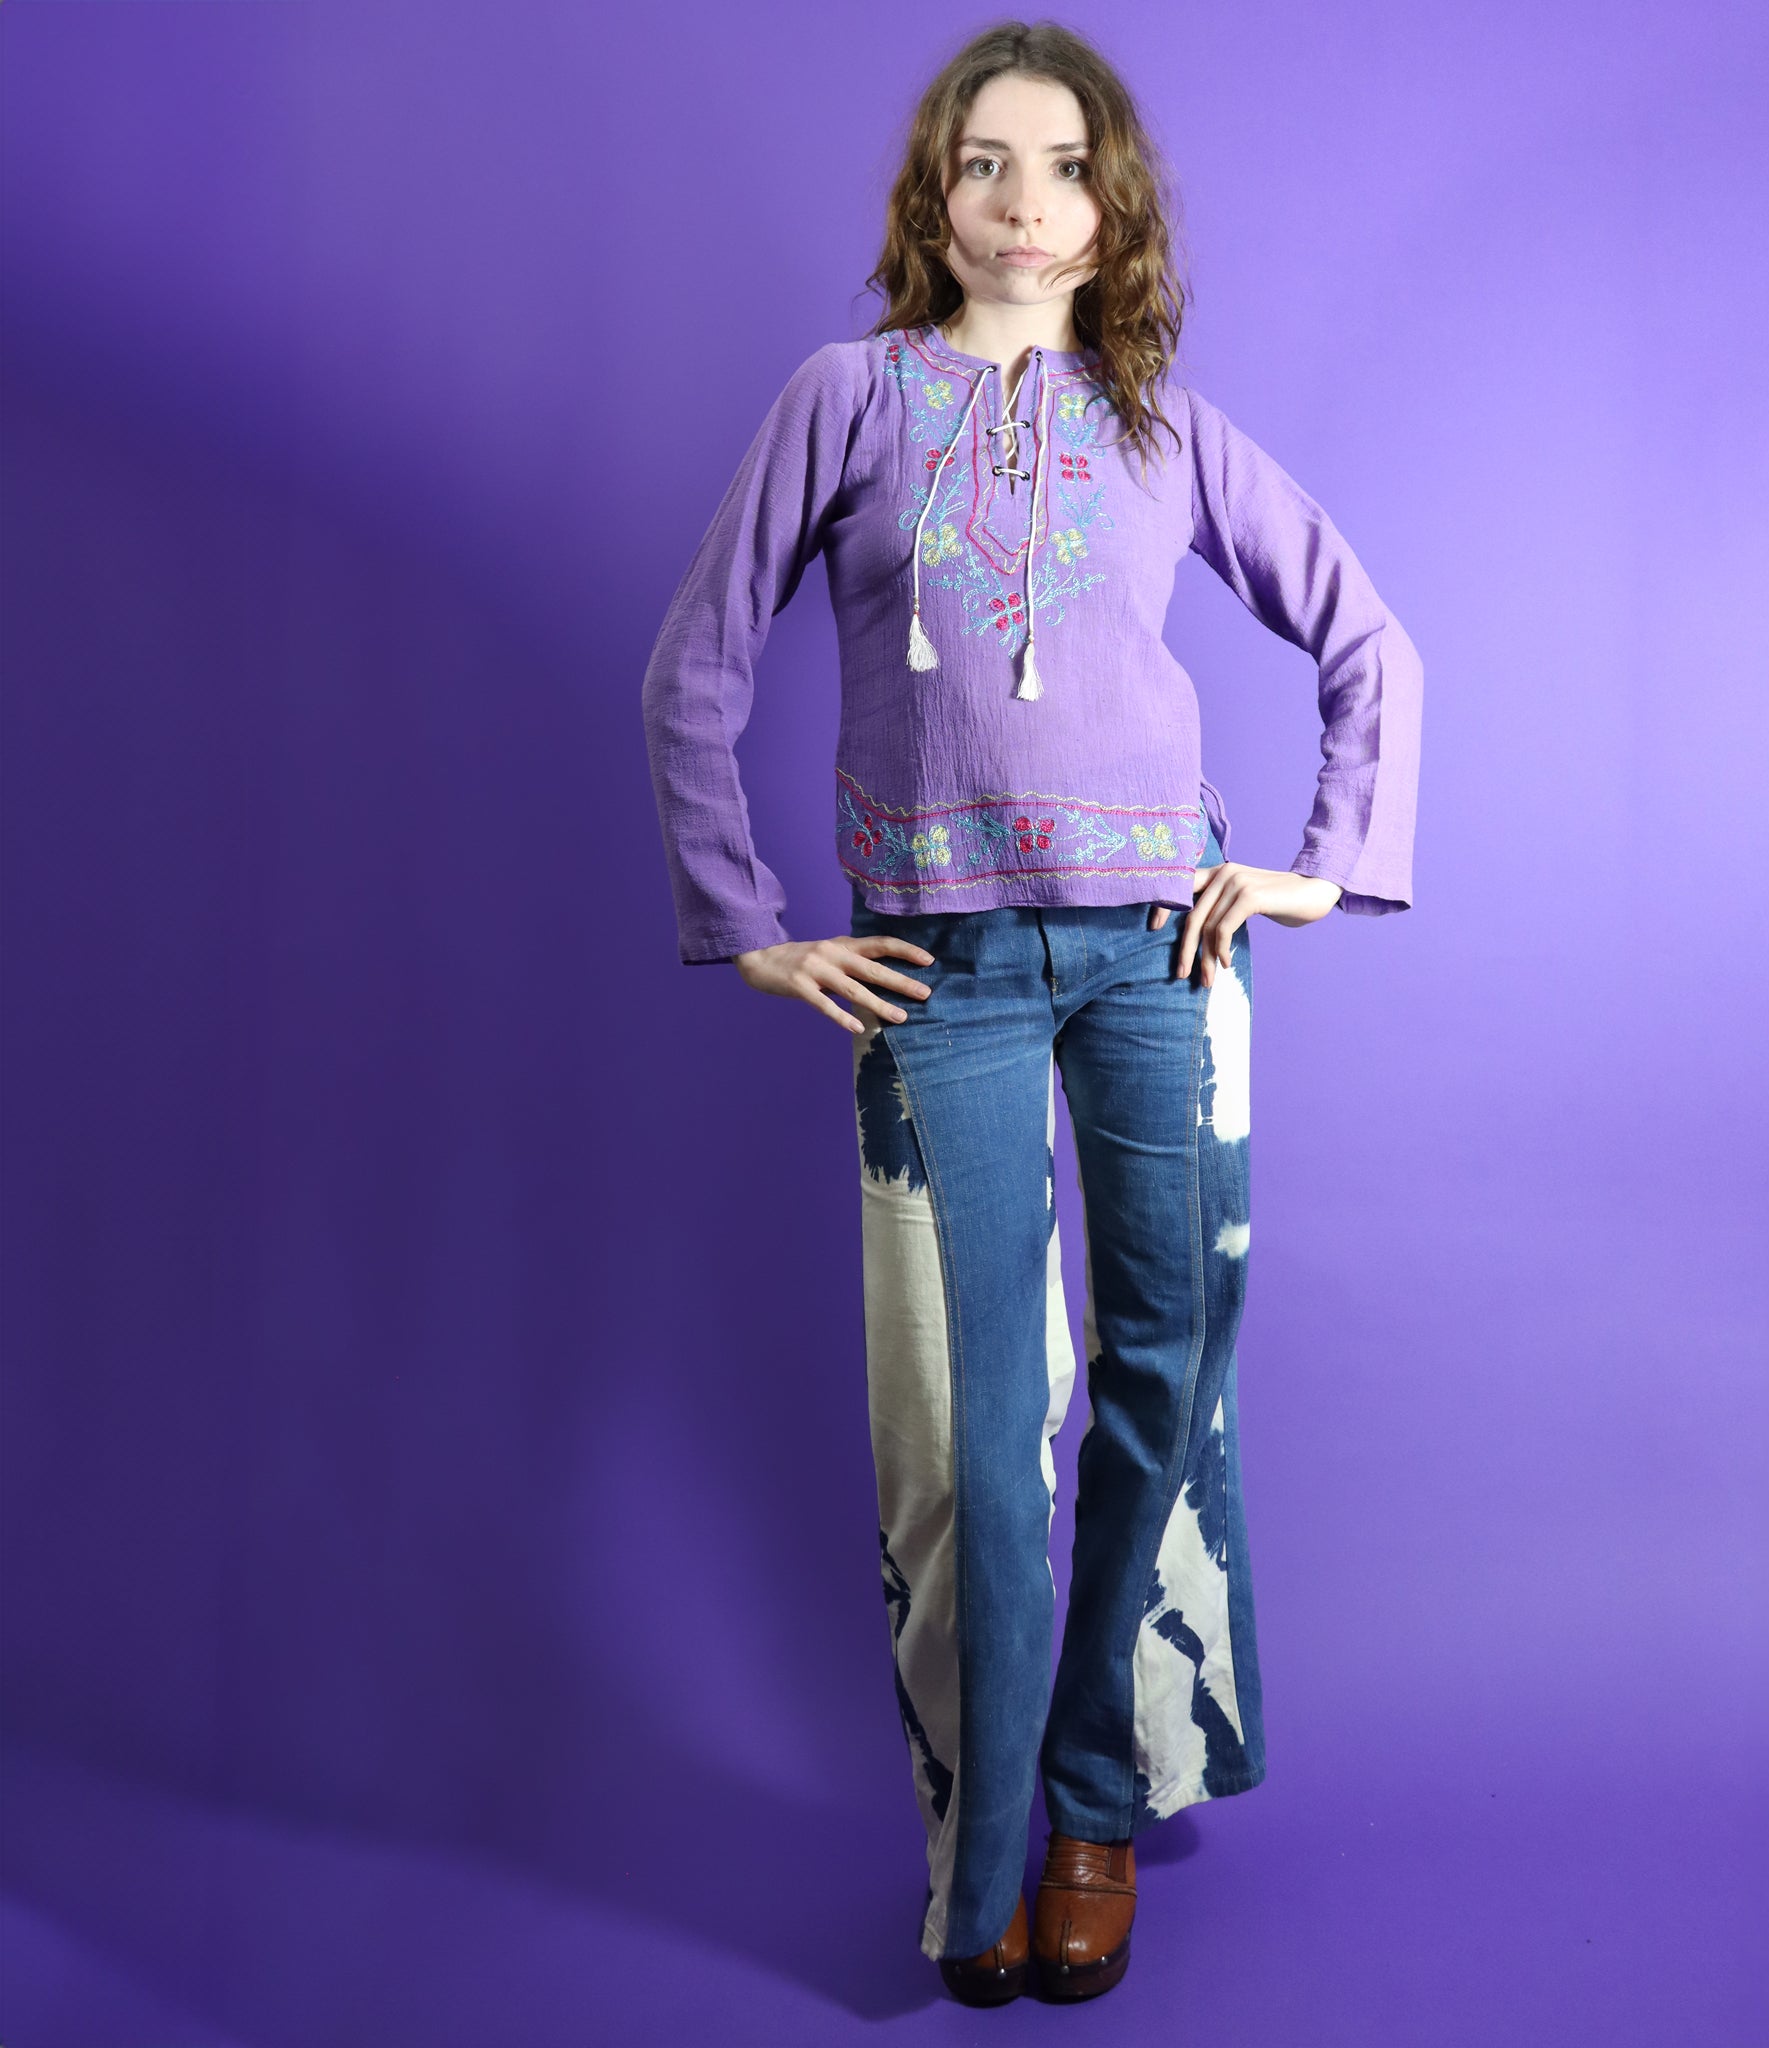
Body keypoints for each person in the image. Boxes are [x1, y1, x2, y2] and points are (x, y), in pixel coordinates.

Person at [639, 19, 1423, 2007]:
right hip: (945, 976)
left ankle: (1092, 1802)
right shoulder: (848, 399)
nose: (1021, 201)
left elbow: (1366, 636)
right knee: (975, 1436)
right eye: (982, 161)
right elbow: (693, 665)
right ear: (936, 195)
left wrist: (1316, 861)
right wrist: (750, 923)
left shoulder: (1163, 426)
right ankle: (980, 1842)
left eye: (1062, 166)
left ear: (1109, 207)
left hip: (1164, 960)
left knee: (1164, 1371)